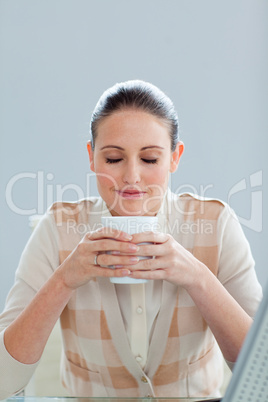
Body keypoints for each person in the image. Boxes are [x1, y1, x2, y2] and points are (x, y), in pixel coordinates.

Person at [0, 80, 262, 399]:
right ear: (92, 156)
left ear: (174, 157)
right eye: (113, 159)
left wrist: (197, 277)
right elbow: (4, 380)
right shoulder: (57, 229)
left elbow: (261, 373)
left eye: (150, 159)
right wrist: (64, 280)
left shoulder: (216, 224)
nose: (132, 177)